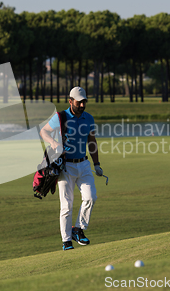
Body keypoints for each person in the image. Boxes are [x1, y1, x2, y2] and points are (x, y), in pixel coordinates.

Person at [39, 86, 103, 251]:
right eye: (79, 102)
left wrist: (97, 164)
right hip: (66, 166)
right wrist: (53, 143)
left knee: (90, 197)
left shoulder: (89, 118)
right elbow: (43, 131)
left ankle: (78, 229)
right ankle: (66, 241)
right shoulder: (61, 117)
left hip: (84, 164)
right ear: (70, 101)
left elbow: (92, 142)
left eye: (84, 102)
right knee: (66, 205)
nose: (82, 105)